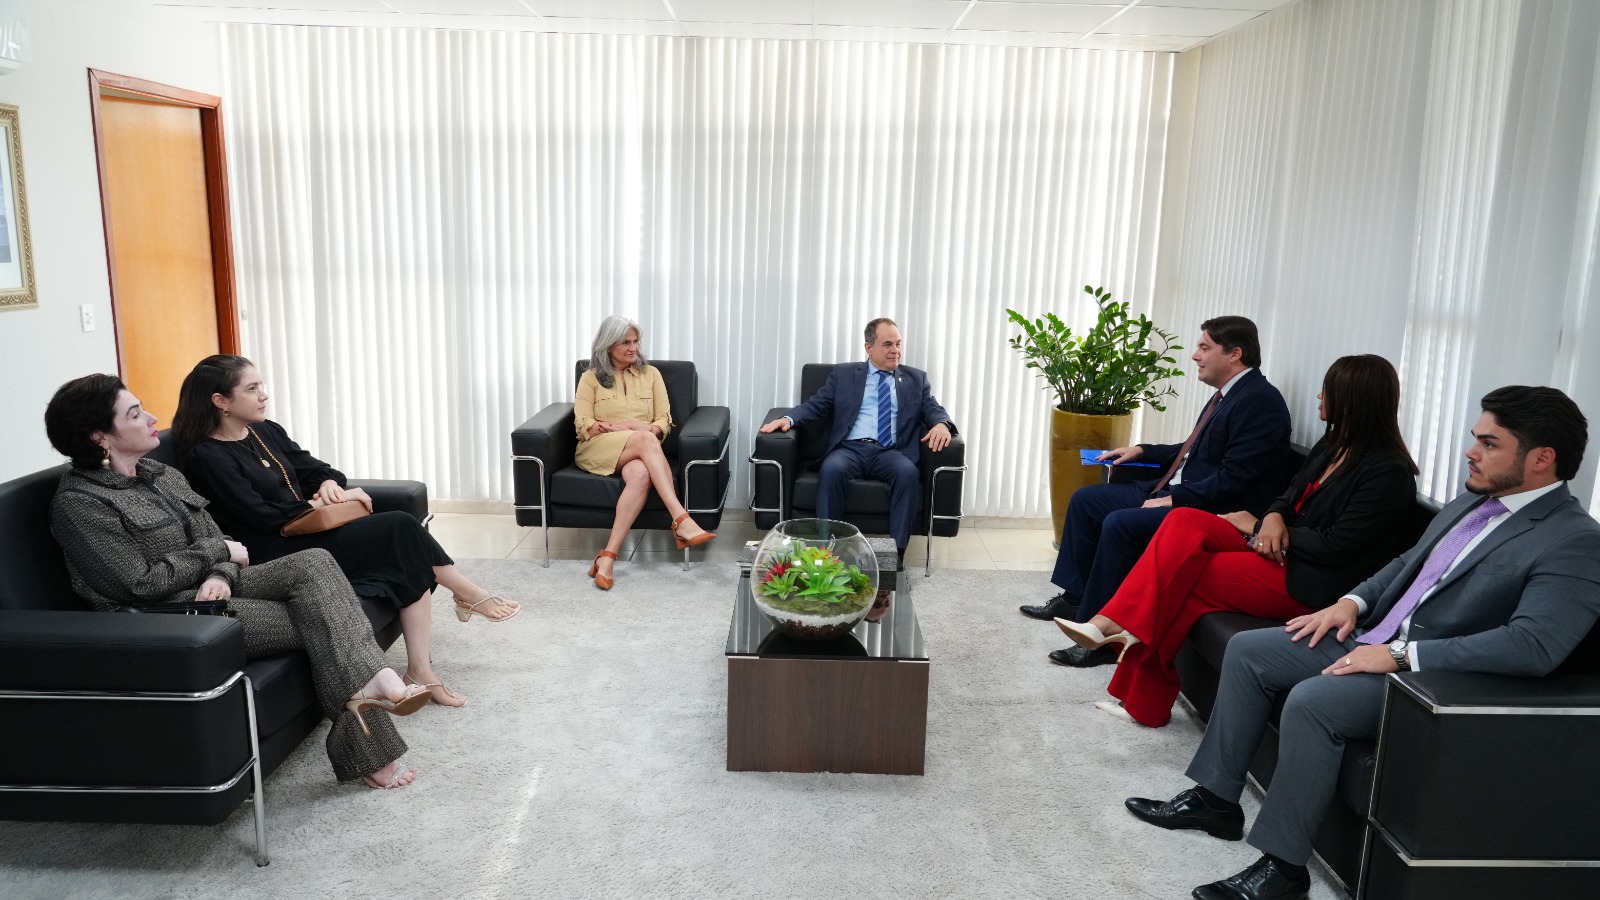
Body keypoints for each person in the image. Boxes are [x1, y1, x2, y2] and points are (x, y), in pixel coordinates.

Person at [1126, 385, 1600, 900]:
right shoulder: (1475, 501)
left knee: (1313, 702)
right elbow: (1408, 565)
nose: (1471, 452)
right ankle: (1216, 801)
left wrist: (1400, 655)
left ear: (1542, 459)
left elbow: (1533, 646)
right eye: (1474, 439)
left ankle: (1283, 869)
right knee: (1250, 651)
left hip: (1429, 676)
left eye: (1489, 443)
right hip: (1374, 636)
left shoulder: (1573, 539)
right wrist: (1350, 603)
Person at [45, 374, 429, 789]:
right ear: (100, 436)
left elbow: (219, 540)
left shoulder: (159, 472)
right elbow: (137, 585)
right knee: (325, 617)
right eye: (136, 414)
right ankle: (372, 716)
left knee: (315, 563)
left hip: (214, 588)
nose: (153, 417)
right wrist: (217, 558)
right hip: (169, 615)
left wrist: (221, 572)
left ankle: (370, 687)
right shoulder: (79, 504)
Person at [1053, 355, 1419, 726]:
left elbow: (1338, 546)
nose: (1319, 395)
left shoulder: (1388, 472)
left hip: (1311, 580)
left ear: (1354, 398)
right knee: (1182, 521)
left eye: (1329, 389)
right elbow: (1287, 496)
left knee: (1187, 575)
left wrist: (1264, 527)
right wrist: (1273, 517)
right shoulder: (1333, 446)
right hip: (1278, 550)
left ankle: (1132, 669)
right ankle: (1115, 625)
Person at [172, 355, 518, 708]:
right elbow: (260, 516)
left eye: (262, 386)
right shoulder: (206, 456)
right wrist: (320, 507)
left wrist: (327, 486)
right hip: (274, 551)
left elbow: (317, 469)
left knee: (404, 545)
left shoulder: (265, 431)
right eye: (252, 388)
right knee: (400, 527)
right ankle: (466, 596)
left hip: (307, 532)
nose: (264, 395)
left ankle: (422, 667)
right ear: (221, 401)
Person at [1020, 316, 1293, 668]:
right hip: (1180, 490)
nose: (1195, 355)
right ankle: (1076, 596)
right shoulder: (1232, 395)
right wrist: (1144, 450)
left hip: (1213, 509)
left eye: (1204, 347)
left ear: (1234, 354)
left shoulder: (1259, 401)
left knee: (1120, 523)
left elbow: (1235, 479)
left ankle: (1101, 638)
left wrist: (1175, 498)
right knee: (1087, 500)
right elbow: (1197, 449)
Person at [759, 317, 955, 587]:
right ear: (868, 347)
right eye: (887, 344)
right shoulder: (844, 375)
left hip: (890, 452)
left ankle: (894, 556)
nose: (895, 350)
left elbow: (932, 407)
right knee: (832, 469)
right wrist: (789, 419)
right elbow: (816, 404)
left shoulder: (915, 378)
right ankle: (829, 551)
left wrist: (942, 424)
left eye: (898, 344)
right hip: (850, 448)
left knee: (908, 474)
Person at [574, 315, 715, 590]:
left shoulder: (650, 374)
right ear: (607, 345)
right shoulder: (590, 379)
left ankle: (608, 557)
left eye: (635, 341)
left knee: (640, 474)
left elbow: (664, 419)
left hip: (639, 450)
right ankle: (681, 520)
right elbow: (584, 425)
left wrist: (647, 431)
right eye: (625, 342)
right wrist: (630, 427)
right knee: (645, 439)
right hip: (598, 449)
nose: (633, 348)